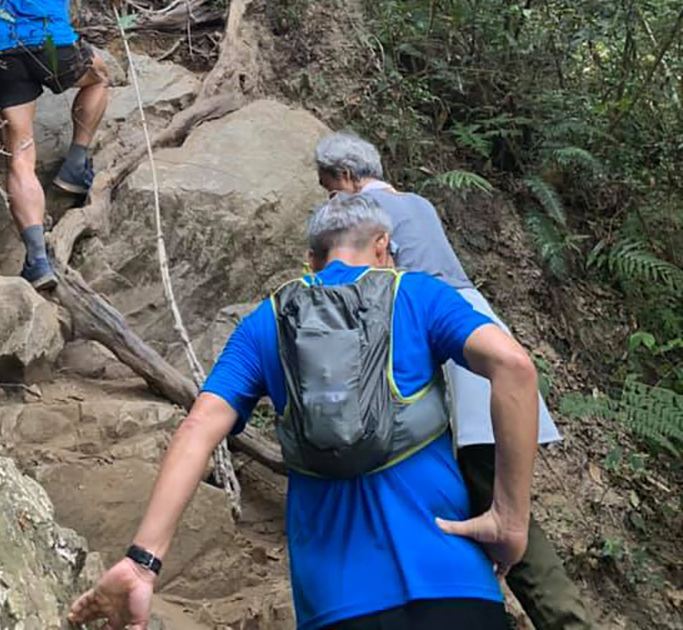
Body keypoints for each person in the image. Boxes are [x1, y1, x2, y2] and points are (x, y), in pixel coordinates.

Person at [69, 193, 540, 630]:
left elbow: (198, 427)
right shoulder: (418, 295)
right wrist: (510, 519)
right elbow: (514, 367)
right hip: (451, 582)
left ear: (312, 260)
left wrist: (142, 560)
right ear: (382, 247)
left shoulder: (266, 322)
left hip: (334, 601)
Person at [314, 132, 593, 630]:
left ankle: (565, 620)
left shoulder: (367, 218)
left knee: (494, 494)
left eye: (329, 187)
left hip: (447, 344)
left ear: (349, 179)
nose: (330, 200)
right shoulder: (416, 202)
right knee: (492, 486)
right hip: (478, 331)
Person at [0, 0, 123, 291]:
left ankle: (37, 261)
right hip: (52, 44)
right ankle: (75, 164)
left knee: (20, 153)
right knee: (99, 75)